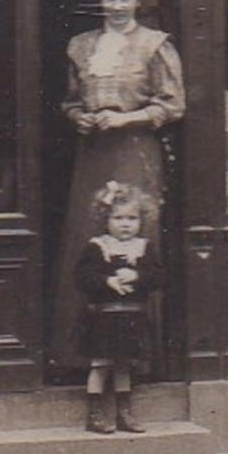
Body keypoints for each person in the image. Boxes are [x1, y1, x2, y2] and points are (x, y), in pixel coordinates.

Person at [50, 0, 184, 374]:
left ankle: (137, 361)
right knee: (89, 238)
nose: (117, 6)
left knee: (133, 236)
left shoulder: (155, 46)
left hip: (134, 152)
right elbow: (69, 101)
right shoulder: (81, 46)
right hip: (93, 154)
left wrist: (126, 117)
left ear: (138, 0)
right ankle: (82, 356)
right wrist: (80, 117)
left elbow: (173, 104)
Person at [73, 181, 164, 433]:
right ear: (106, 220)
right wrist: (107, 280)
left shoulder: (144, 248)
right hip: (105, 317)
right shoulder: (97, 247)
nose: (125, 224)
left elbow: (158, 277)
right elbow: (82, 278)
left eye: (132, 218)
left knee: (124, 364)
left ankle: (125, 413)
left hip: (132, 316)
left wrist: (137, 276)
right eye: (118, 218)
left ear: (141, 220)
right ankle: (94, 414)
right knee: (101, 364)